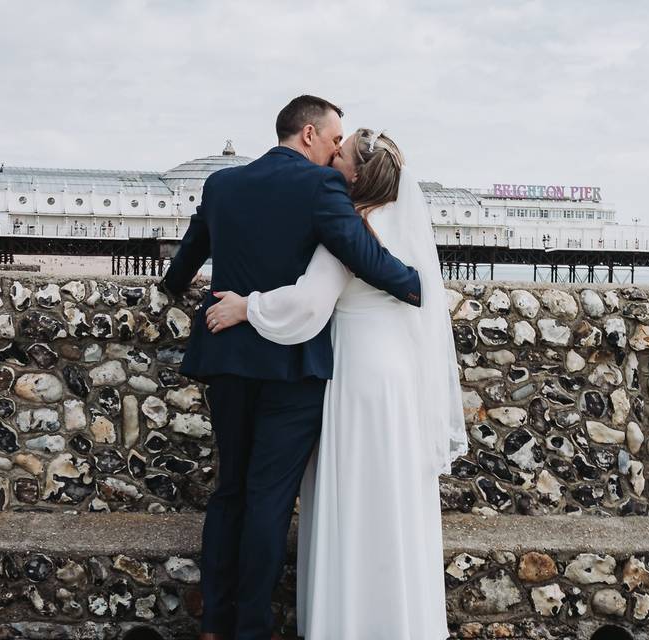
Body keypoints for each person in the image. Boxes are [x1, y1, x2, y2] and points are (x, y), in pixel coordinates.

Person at [160, 97, 422, 640]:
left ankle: (214, 622)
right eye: (332, 140)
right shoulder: (319, 187)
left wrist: (169, 289)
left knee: (229, 489)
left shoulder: (222, 183)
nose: (334, 152)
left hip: (226, 354)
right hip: (290, 365)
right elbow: (362, 257)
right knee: (269, 498)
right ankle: (251, 626)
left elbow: (190, 253)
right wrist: (418, 286)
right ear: (308, 133)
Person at [205, 129, 466, 640]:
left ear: (355, 174)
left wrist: (246, 307)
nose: (331, 158)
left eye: (340, 155)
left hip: (359, 373)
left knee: (355, 501)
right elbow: (412, 287)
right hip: (397, 376)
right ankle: (401, 619)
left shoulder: (353, 227)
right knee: (393, 501)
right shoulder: (399, 224)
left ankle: (351, 621)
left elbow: (308, 303)